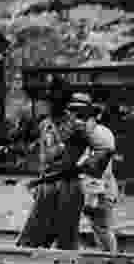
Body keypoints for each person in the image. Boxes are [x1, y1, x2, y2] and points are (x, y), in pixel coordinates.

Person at [17, 92, 115, 251]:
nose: (72, 114)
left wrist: (91, 192)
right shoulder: (75, 130)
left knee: (100, 230)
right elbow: (59, 161)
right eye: (72, 110)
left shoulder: (96, 133)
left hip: (97, 190)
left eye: (77, 111)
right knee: (62, 228)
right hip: (80, 187)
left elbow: (98, 166)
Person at [74, 98, 119, 253]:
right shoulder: (93, 133)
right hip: (98, 189)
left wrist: (92, 197)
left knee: (102, 228)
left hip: (101, 191)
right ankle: (109, 263)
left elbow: (100, 170)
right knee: (99, 228)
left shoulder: (99, 135)